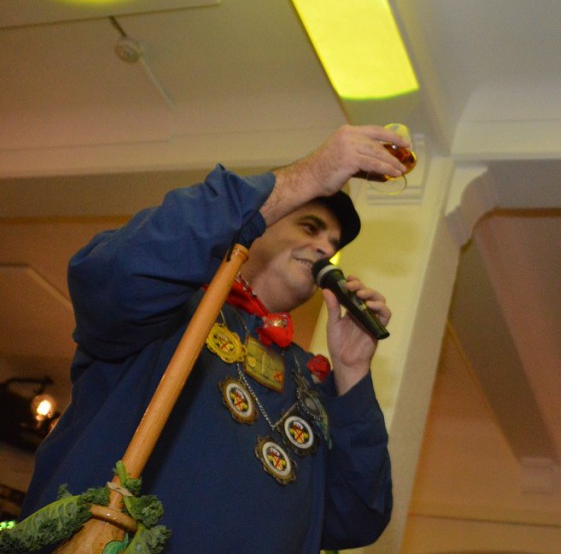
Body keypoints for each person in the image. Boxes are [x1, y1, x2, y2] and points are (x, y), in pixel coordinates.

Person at [17, 124, 408, 552]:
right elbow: (110, 276)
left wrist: (352, 373)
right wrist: (309, 176)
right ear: (261, 224)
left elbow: (356, 518)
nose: (324, 249)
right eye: (310, 227)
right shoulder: (169, 311)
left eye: (332, 245)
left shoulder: (311, 378)